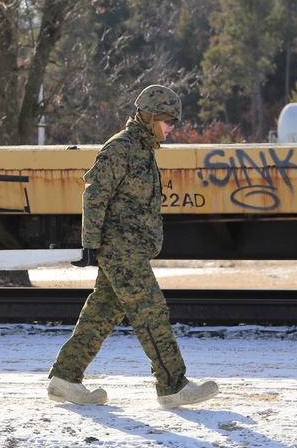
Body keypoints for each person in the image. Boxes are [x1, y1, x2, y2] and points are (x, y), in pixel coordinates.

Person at [46, 85, 219, 409]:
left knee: (101, 313)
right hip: (120, 250)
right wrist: (90, 246)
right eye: (168, 121)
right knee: (151, 312)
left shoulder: (143, 150)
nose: (171, 128)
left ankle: (65, 378)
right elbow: (94, 195)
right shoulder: (121, 148)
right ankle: (172, 384)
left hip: (130, 249)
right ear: (149, 115)